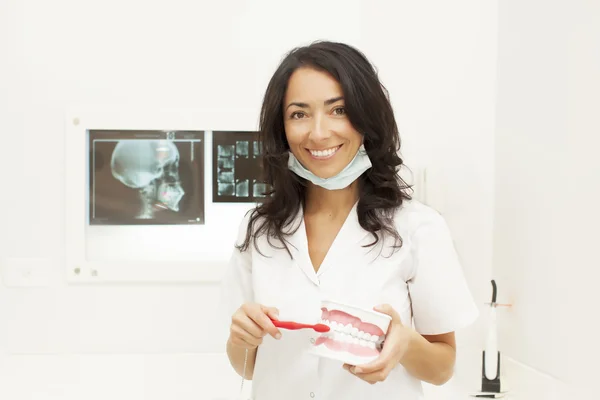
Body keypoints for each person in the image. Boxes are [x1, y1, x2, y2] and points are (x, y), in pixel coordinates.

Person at [220, 40, 479, 400]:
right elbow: (248, 366)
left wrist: (406, 344)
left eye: (338, 110)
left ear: (366, 119)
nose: (319, 132)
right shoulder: (259, 231)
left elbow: (441, 369)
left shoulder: (417, 228)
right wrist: (240, 337)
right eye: (299, 113)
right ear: (282, 128)